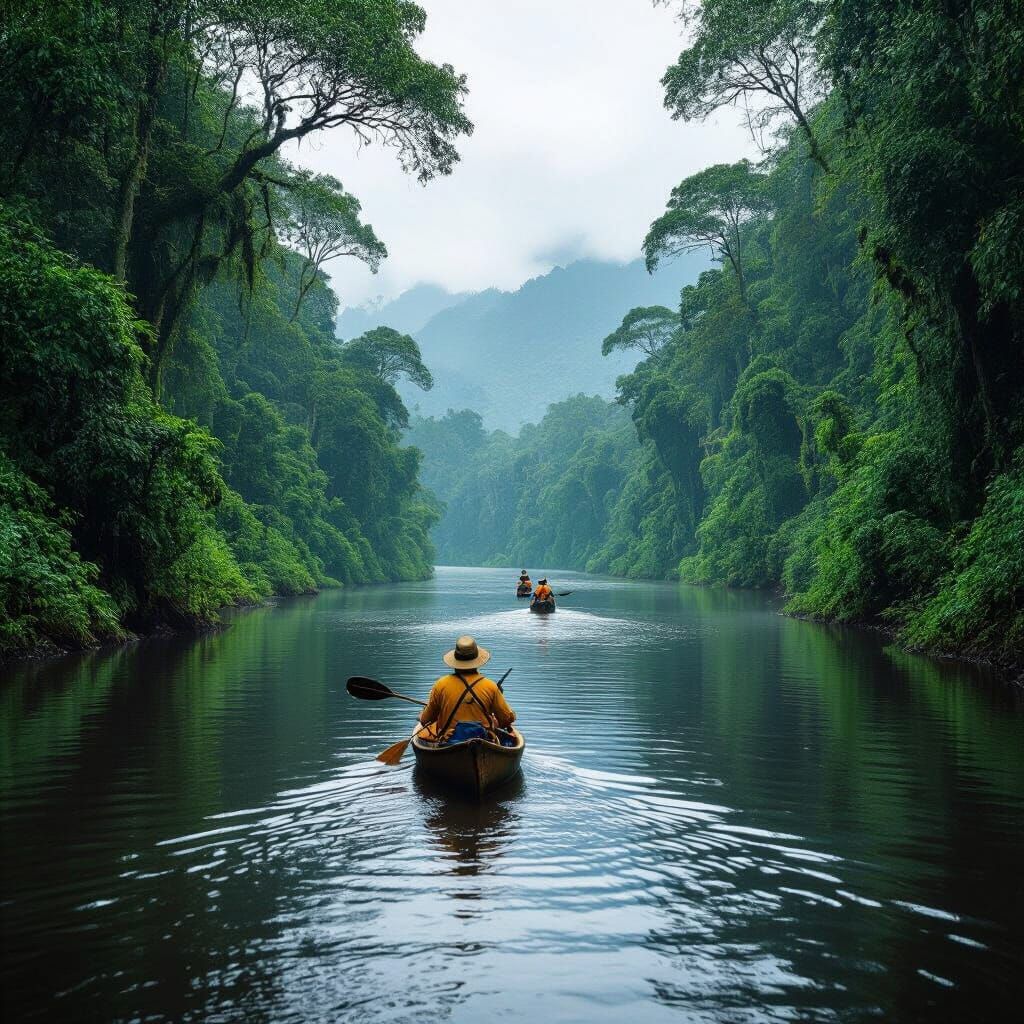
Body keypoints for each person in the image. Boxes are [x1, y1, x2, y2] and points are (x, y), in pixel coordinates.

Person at [415, 635, 516, 746]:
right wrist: (494, 721)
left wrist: (422, 715)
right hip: (484, 741)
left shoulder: (440, 685)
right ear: (476, 660)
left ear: (455, 660)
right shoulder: (491, 686)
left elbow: (426, 720)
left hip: (449, 742)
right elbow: (507, 719)